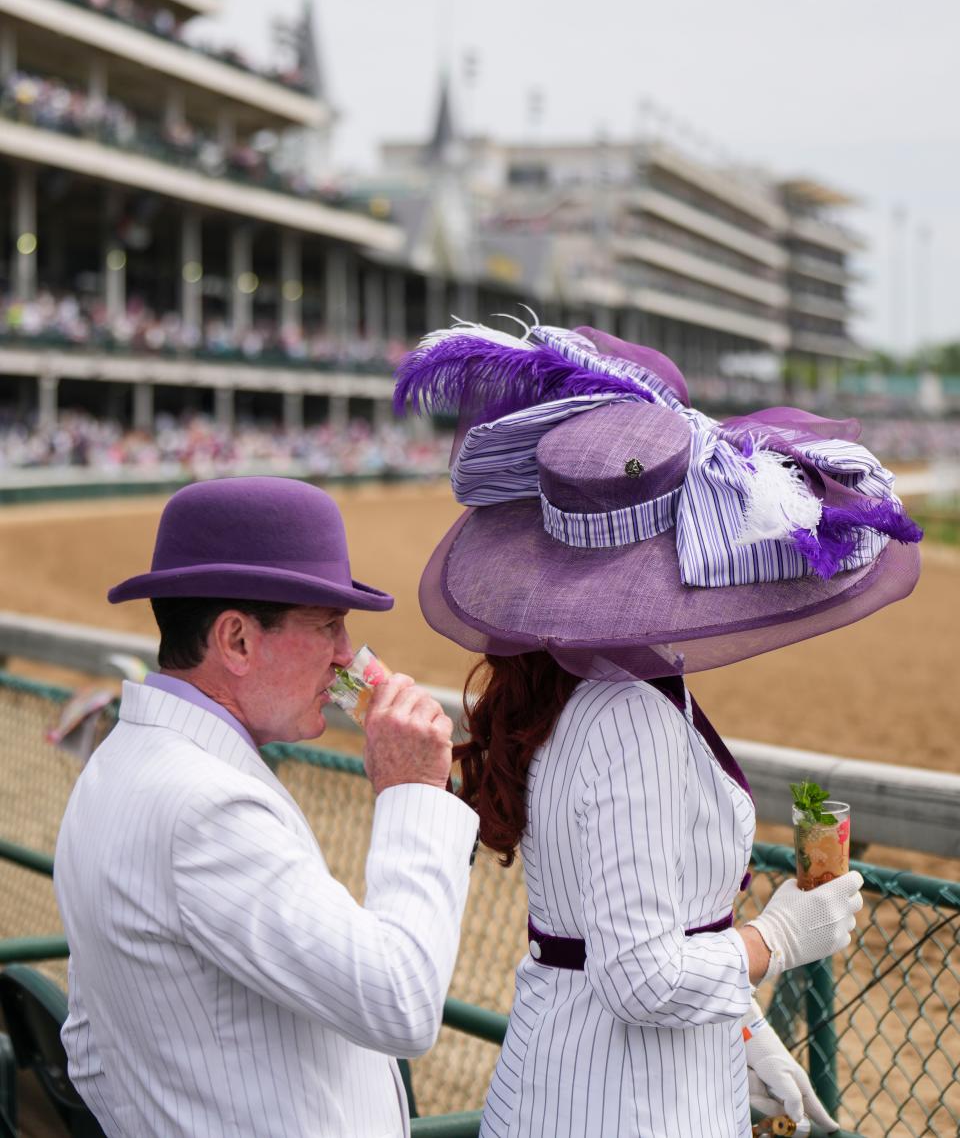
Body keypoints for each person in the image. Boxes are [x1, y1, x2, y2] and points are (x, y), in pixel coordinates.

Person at [394, 318, 923, 1138]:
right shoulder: (628, 718)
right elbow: (640, 974)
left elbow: (629, 927)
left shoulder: (572, 685)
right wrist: (780, 934)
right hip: (625, 1104)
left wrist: (745, 1035)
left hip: (583, 1083)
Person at [53, 476, 479, 1138]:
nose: (347, 657)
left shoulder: (116, 763)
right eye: (329, 624)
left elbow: (88, 1044)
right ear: (238, 640)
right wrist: (414, 793)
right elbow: (402, 1002)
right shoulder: (207, 808)